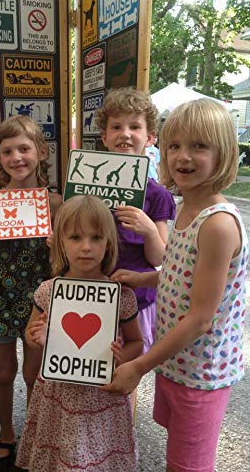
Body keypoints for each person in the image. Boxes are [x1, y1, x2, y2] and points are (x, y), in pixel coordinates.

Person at [105, 99, 248, 472]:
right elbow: (182, 270)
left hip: (201, 372)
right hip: (176, 363)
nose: (183, 156)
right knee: (178, 451)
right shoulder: (187, 208)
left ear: (225, 153)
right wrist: (145, 278)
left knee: (188, 465)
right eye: (174, 146)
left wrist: (139, 366)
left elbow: (201, 317)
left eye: (199, 146)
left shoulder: (217, 225)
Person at [15, 195, 144, 471]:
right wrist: (37, 338)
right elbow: (30, 335)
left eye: (96, 238)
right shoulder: (48, 291)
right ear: (60, 241)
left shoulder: (121, 296)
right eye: (75, 237)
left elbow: (136, 342)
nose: (86, 247)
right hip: (58, 398)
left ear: (108, 242)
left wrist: (124, 357)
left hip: (103, 397)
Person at [0, 115, 62, 466]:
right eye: (8, 151)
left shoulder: (54, 203)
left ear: (41, 151)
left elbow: (66, 261)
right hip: (0, 299)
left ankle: (35, 433)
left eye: (24, 148)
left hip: (40, 303)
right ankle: (7, 432)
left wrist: (56, 247)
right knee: (4, 372)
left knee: (34, 375)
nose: (16, 157)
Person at [95, 87, 176, 352]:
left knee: (128, 370)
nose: (125, 134)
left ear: (150, 137)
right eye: (116, 127)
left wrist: (150, 231)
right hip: (93, 295)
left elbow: (159, 259)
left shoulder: (157, 194)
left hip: (137, 300)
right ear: (104, 137)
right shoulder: (87, 187)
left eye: (135, 127)